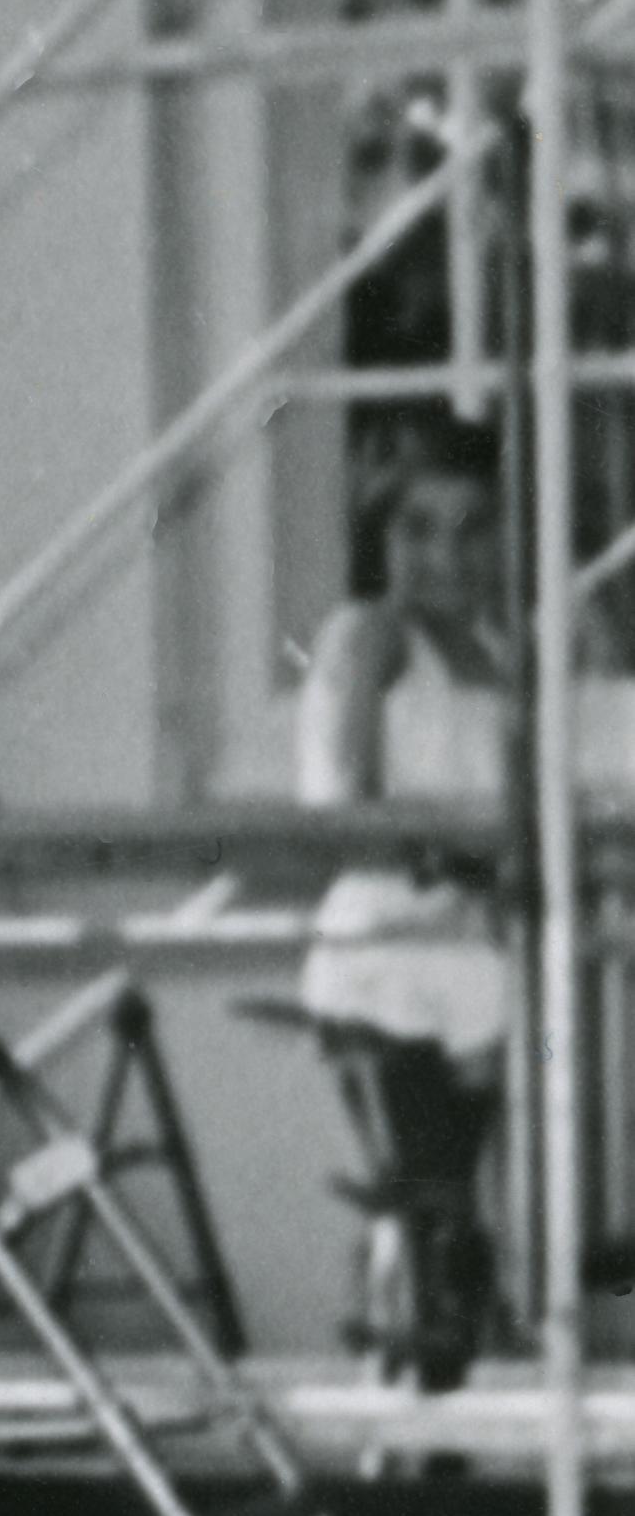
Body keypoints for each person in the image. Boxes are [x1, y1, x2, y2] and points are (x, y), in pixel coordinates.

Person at [295, 411, 520, 1392]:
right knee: (420, 1205)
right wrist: (459, 853)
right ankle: (399, 1424)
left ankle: (432, 1419)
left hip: (470, 956)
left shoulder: (497, 652)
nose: (445, 555)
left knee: (458, 1207)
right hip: (387, 955)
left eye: (471, 528)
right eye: (417, 529)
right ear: (378, 535)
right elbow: (334, 807)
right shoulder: (367, 636)